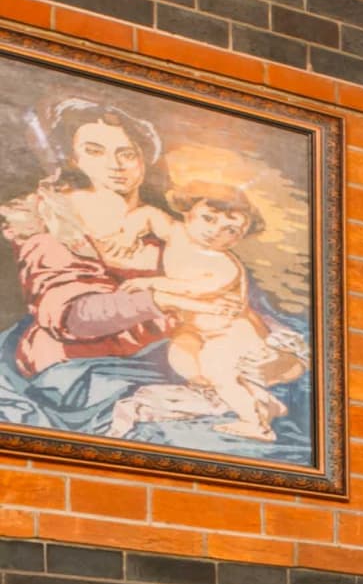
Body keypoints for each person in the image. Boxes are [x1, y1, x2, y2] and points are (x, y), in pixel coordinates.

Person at [106, 188, 297, 441]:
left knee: (221, 377)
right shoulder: (176, 232)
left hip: (229, 332)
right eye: (209, 218)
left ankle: (255, 424)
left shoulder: (223, 264)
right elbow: (149, 214)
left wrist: (152, 283)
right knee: (196, 369)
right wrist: (128, 234)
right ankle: (265, 403)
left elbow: (194, 288)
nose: (216, 231)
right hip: (197, 329)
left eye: (230, 230)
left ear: (237, 239)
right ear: (188, 212)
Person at [7, 100, 172, 378]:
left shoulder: (170, 225)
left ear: (143, 159)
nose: (115, 165)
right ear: (74, 159)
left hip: (169, 357)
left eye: (127, 153)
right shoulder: (50, 218)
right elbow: (72, 317)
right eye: (94, 152)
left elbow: (234, 295)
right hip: (80, 364)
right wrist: (171, 300)